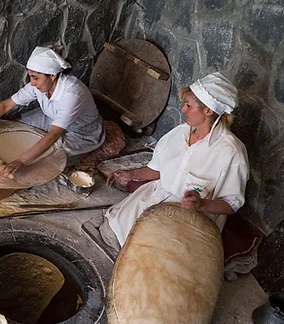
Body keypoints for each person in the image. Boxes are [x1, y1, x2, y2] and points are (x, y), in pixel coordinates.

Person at [103, 72, 250, 247]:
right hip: (156, 195)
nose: (183, 110)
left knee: (149, 253)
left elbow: (231, 205)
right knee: (112, 230)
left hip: (191, 215)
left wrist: (201, 204)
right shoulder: (179, 133)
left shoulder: (231, 153)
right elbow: (156, 170)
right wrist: (130, 174)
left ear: (208, 110)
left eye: (188, 105)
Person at [0, 46, 104, 178]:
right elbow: (6, 106)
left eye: (35, 78)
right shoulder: (38, 84)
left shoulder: (72, 94)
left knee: (49, 157)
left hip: (82, 132)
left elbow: (53, 135)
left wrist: (21, 161)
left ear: (52, 75)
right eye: (30, 77)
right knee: (15, 128)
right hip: (51, 118)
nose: (32, 83)